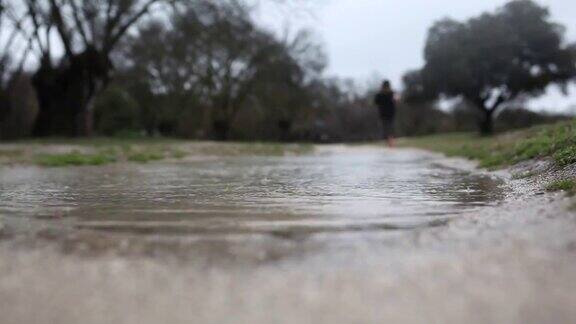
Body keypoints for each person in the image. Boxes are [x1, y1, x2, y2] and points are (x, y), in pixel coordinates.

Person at [374, 80, 398, 147]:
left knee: (386, 128)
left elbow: (376, 102)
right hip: (390, 113)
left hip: (384, 113)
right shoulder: (391, 93)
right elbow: (396, 100)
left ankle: (389, 142)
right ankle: (390, 142)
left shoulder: (380, 94)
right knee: (390, 128)